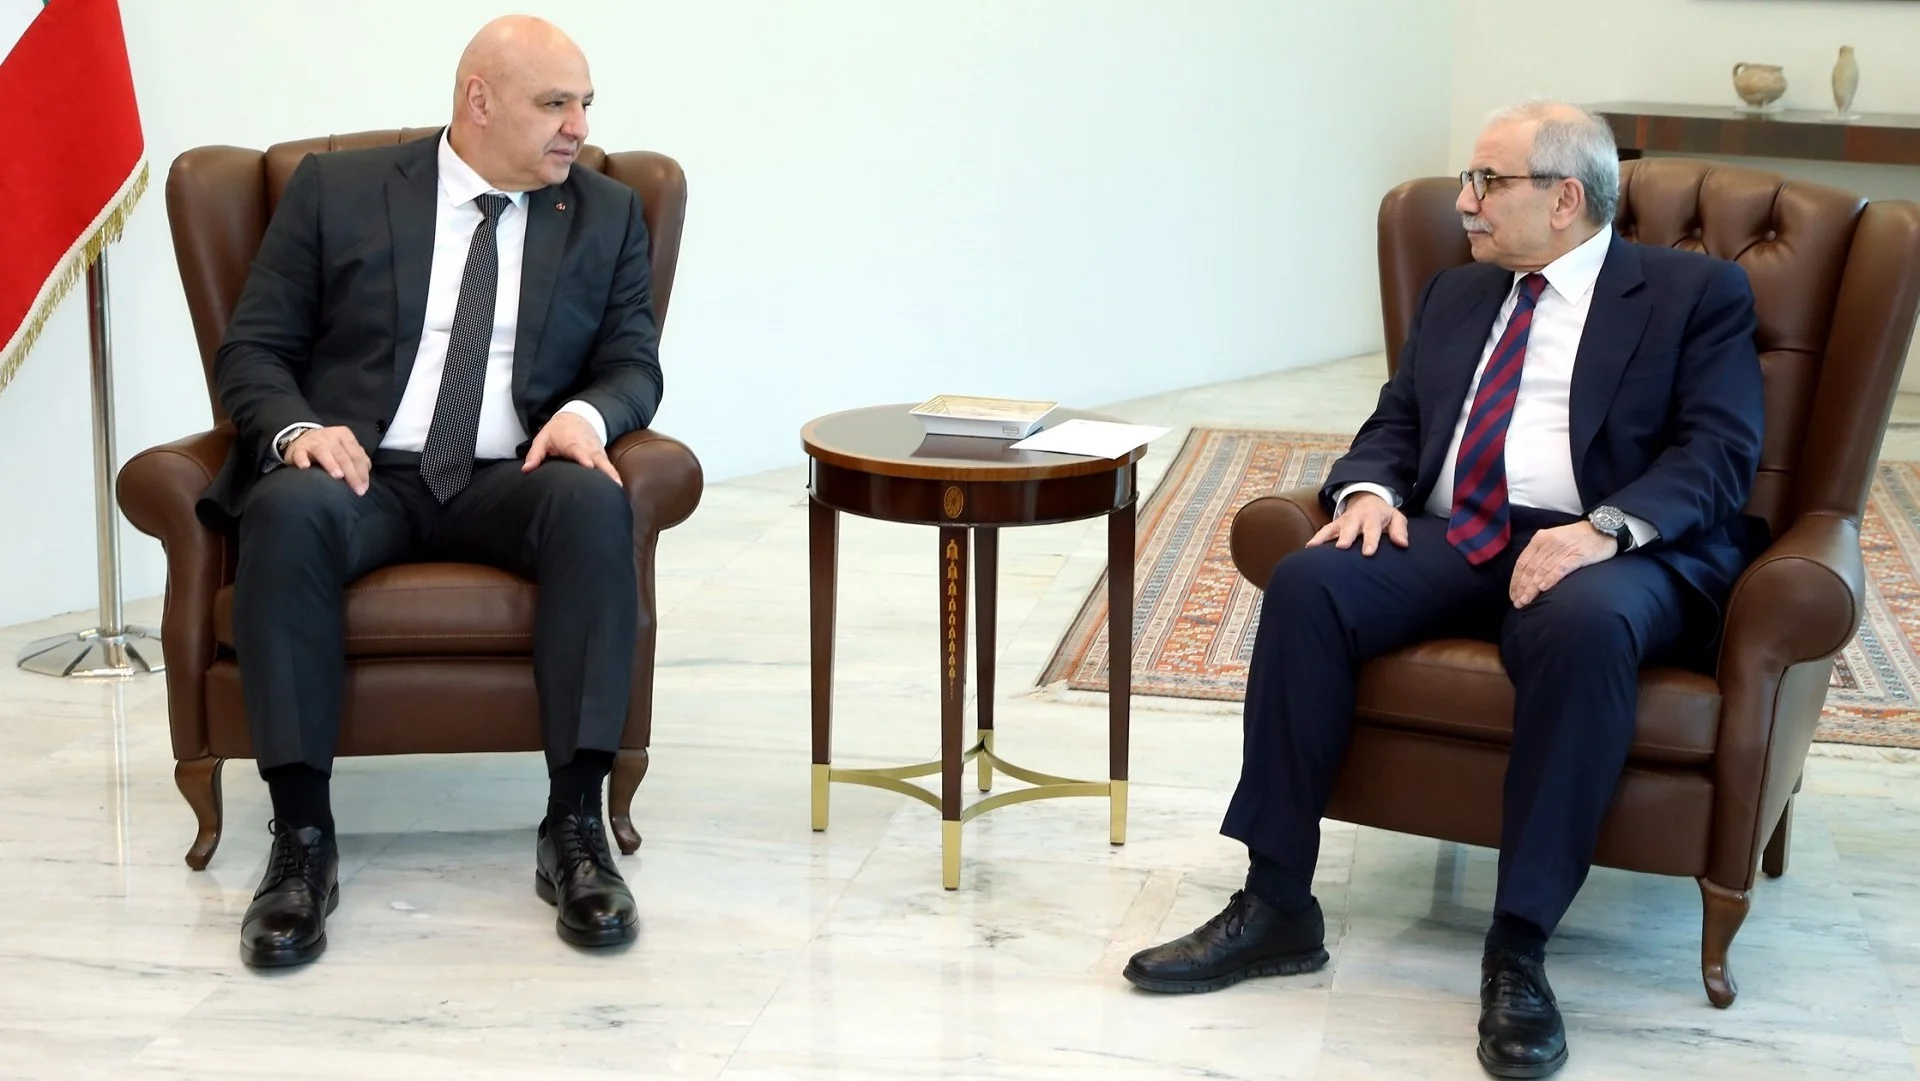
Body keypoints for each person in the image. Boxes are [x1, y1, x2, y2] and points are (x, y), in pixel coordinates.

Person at [1123, 102, 1767, 1079]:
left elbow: (1719, 453)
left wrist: (1600, 530)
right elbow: (1398, 419)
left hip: (1611, 548)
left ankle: (1520, 945)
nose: (1464, 201)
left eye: (1486, 181)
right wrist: (1370, 490)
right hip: (1462, 530)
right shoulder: (1459, 293)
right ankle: (1277, 901)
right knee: (1310, 582)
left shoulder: (1694, 293)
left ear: (1564, 198)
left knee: (1584, 628)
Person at [201, 15, 662, 968]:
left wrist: (587, 414)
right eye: (555, 103)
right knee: (284, 509)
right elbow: (253, 349)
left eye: (585, 104)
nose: (579, 127)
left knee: (592, 501)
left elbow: (633, 362)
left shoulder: (608, 212)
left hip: (511, 474)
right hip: (363, 471)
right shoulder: (337, 191)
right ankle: (302, 842)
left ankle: (575, 828)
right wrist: (298, 431)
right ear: (478, 100)